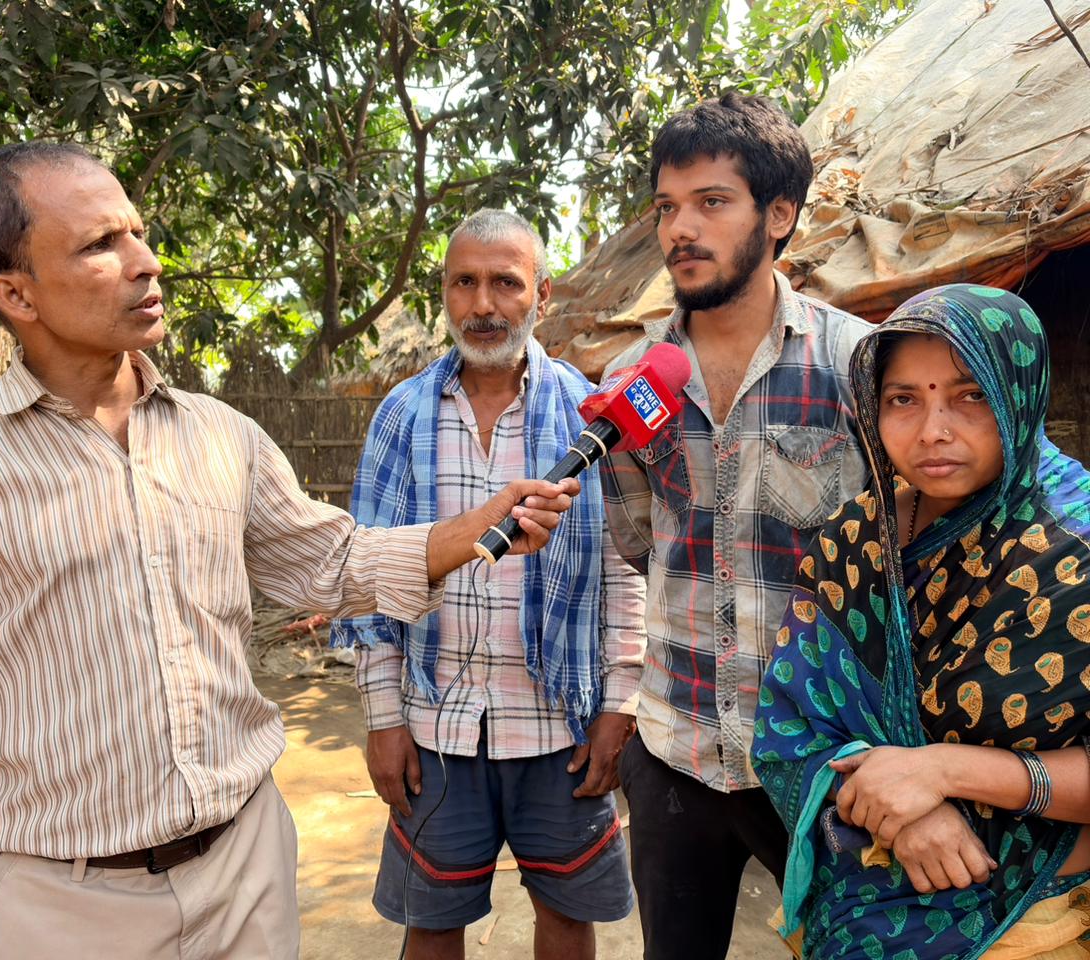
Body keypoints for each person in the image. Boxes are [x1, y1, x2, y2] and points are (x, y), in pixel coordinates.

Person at [0, 144, 580, 960]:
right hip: (61, 906)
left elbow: (330, 566)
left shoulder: (220, 436)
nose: (146, 262)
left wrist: (467, 532)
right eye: (101, 245)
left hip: (246, 872)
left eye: (137, 232)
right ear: (14, 292)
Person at [597, 92, 874, 960]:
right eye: (667, 207)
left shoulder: (859, 366)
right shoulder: (631, 379)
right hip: (674, 748)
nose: (681, 228)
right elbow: (639, 544)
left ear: (779, 215)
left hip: (826, 761)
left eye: (711, 202)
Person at [331, 209, 646, 960]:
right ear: (443, 293)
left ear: (540, 294)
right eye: (463, 283)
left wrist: (619, 702)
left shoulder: (587, 415)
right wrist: (383, 716)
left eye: (505, 283)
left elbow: (619, 572)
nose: (482, 304)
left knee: (568, 918)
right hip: (435, 728)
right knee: (432, 925)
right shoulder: (401, 416)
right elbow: (365, 574)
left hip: (559, 726)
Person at [752, 284, 1090, 960]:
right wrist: (905, 816)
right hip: (861, 903)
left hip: (1030, 915)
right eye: (903, 399)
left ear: (1019, 392)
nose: (933, 429)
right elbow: (791, 722)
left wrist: (943, 770)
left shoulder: (1073, 551)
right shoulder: (856, 538)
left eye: (969, 395)